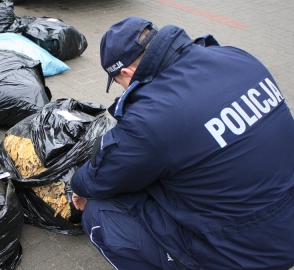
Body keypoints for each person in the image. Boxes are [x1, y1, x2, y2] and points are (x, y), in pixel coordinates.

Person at [70, 16, 294, 270]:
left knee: (98, 211)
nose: (122, 89)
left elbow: (99, 178)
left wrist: (79, 187)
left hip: (244, 253)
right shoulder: (236, 56)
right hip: (285, 224)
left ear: (126, 73)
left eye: (120, 83)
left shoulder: (151, 118)